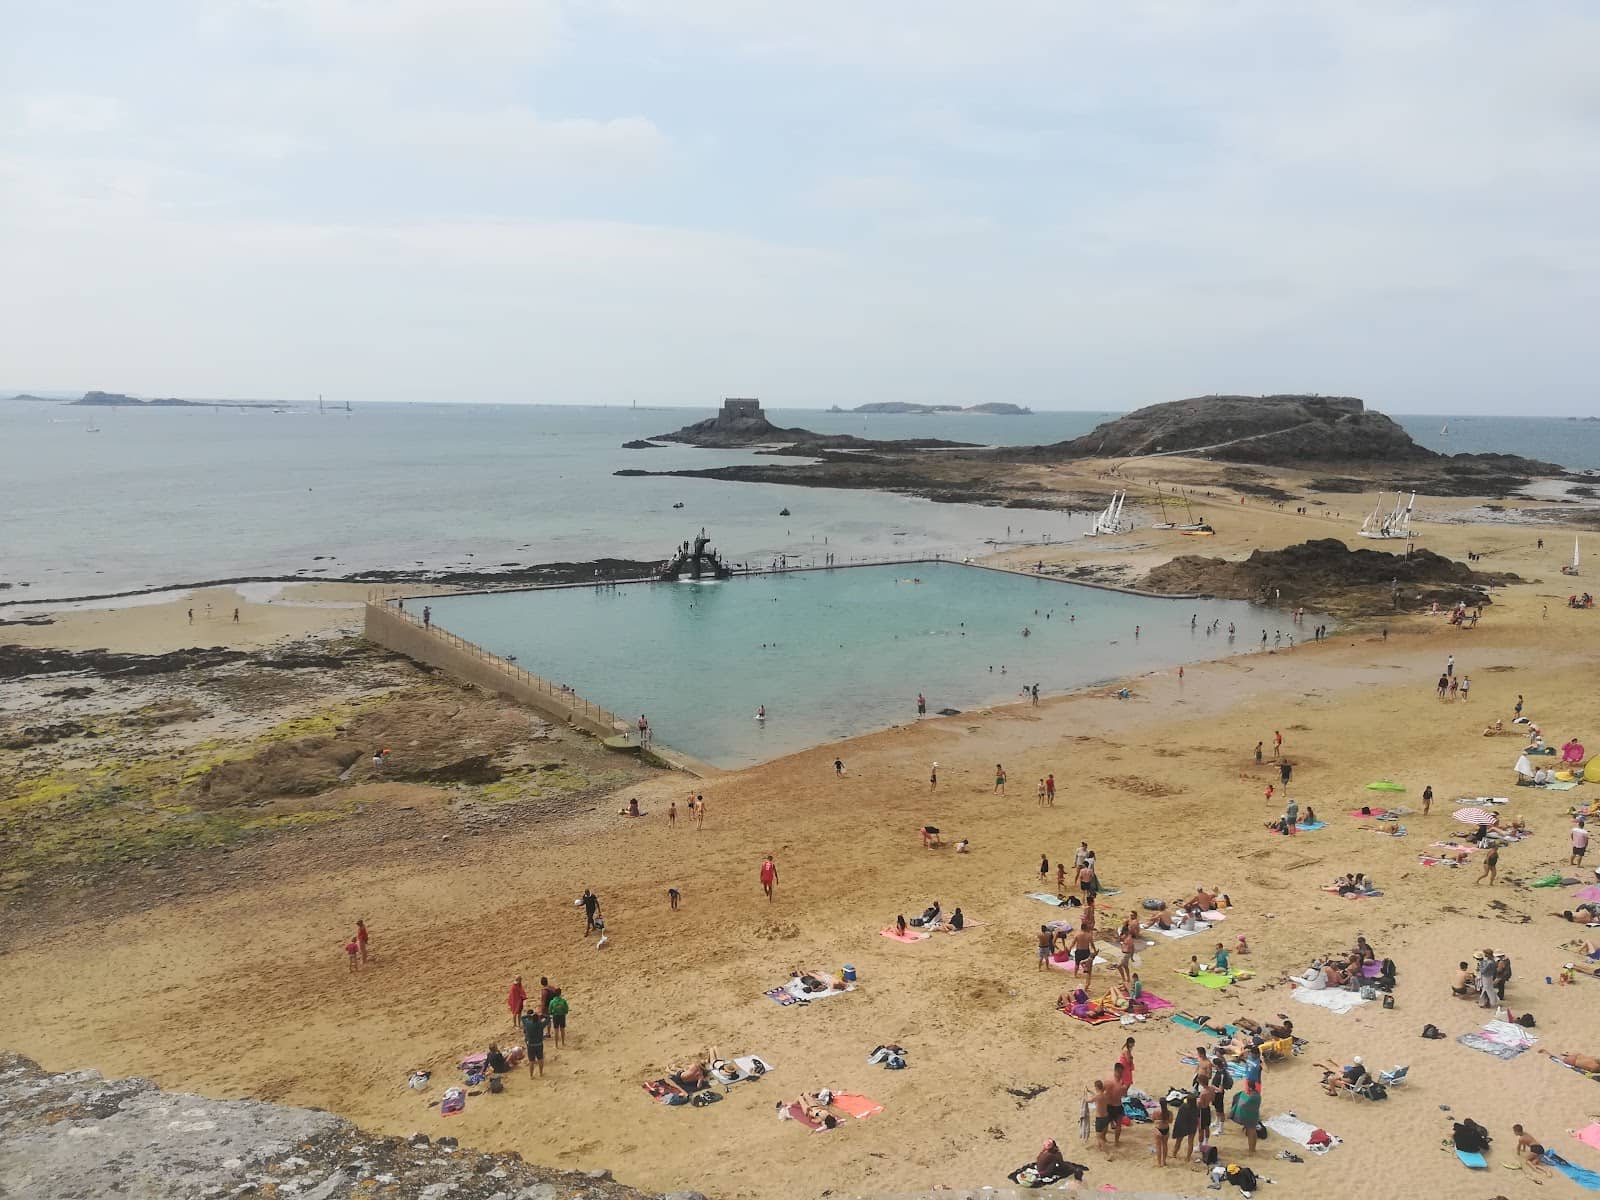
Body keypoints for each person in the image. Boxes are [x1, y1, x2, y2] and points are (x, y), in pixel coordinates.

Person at [1229, 1081, 1261, 1153]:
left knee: (1250, 1133)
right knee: (1253, 1132)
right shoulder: (1257, 1095)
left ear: (1249, 1087)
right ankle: (1253, 1148)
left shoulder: (1251, 1097)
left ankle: (1251, 1149)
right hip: (1255, 1116)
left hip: (1250, 1118)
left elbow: (1243, 1105)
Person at [1171, 1091, 1200, 1164]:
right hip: (1192, 1125)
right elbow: (1197, 1117)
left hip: (1182, 1126)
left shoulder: (1183, 1107)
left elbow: (1179, 1118)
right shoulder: (1196, 1108)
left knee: (1178, 1141)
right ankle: (1188, 1158)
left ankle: (1174, 1154)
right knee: (1190, 1142)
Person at [1088, 1079, 1113, 1159]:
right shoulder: (1105, 1095)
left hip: (1099, 1118)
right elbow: (1097, 1096)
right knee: (1102, 1133)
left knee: (1098, 1136)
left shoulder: (1097, 1097)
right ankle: (1100, 1146)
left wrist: (1086, 1095)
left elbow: (1089, 1100)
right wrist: (1090, 1092)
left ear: (1096, 1087)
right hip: (1106, 1116)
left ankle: (1108, 1153)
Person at [520, 1007, 545, 1077]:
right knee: (540, 1059)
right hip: (539, 1044)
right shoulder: (540, 1024)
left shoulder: (528, 1024)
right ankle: (541, 1073)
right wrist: (542, 1015)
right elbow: (548, 1018)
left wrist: (529, 1015)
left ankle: (531, 1075)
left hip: (530, 1045)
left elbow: (522, 1018)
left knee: (531, 1061)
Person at [1154, 1097, 1171, 1167]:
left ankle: (1159, 1162)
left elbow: (1153, 1119)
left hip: (1158, 1129)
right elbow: (1170, 1121)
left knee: (1158, 1147)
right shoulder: (1169, 1112)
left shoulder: (1156, 1111)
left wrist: (1159, 1121)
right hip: (1166, 1129)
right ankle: (1164, 1161)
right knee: (1165, 1145)